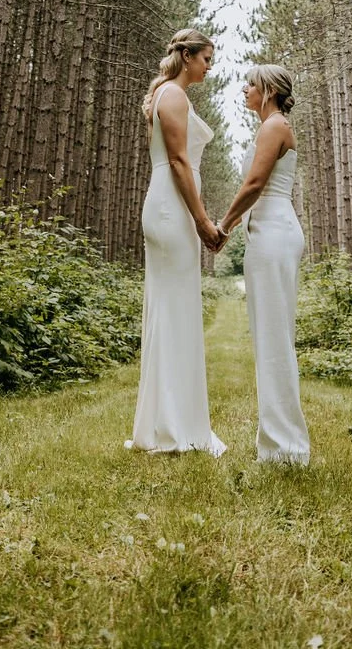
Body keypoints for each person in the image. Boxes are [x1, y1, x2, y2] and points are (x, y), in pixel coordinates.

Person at [127, 28, 226, 455]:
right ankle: (169, 429)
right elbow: (179, 161)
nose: (209, 66)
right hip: (171, 208)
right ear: (187, 56)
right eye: (206, 58)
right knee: (171, 310)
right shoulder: (173, 96)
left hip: (170, 206)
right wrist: (201, 219)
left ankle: (169, 423)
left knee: (176, 309)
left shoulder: (171, 94)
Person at [216, 63, 310, 466]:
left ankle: (286, 448)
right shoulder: (268, 126)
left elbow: (254, 185)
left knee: (274, 340)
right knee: (268, 338)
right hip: (266, 234)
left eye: (250, 84)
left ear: (268, 90)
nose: (243, 89)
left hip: (274, 234)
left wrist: (221, 227)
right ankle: (276, 443)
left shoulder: (274, 127)